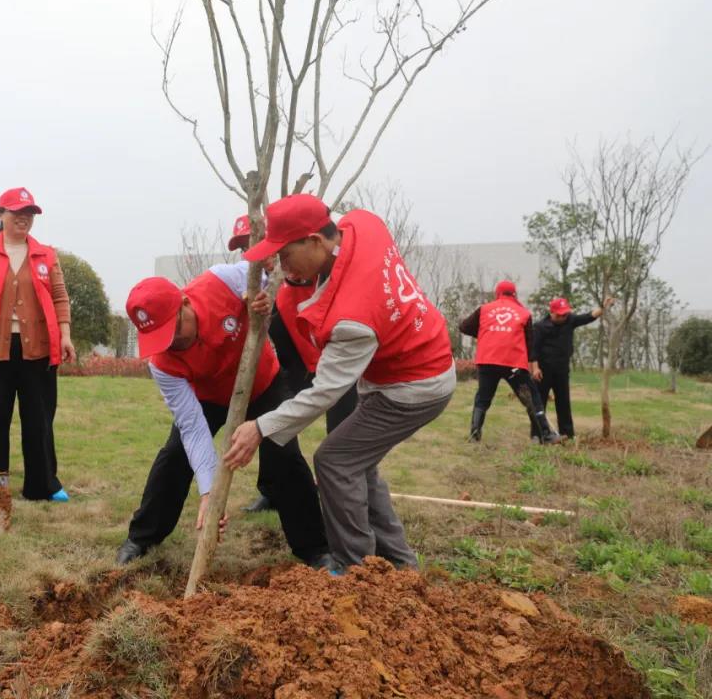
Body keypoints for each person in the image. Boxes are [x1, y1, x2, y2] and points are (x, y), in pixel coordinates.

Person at [224, 195, 455, 573]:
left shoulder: (351, 317)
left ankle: (355, 570)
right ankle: (400, 565)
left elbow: (326, 391)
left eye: (284, 255)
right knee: (358, 463)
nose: (280, 266)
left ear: (316, 241)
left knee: (334, 461)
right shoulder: (364, 224)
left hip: (413, 386)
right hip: (418, 359)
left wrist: (261, 428)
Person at [115, 262, 337, 571]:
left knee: (283, 452)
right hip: (208, 396)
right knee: (175, 455)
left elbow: (271, 274)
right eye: (160, 337)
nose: (171, 343)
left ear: (185, 303)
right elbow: (193, 428)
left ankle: (315, 547)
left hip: (262, 384)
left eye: (174, 330)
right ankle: (142, 537)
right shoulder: (163, 365)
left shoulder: (222, 281)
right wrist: (209, 493)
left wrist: (260, 297)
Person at [226, 215, 358, 513]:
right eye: (244, 247)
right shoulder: (259, 284)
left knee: (340, 437)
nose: (254, 254)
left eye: (256, 243)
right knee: (274, 424)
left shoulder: (314, 271)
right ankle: (273, 490)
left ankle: (344, 500)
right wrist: (258, 310)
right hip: (296, 368)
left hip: (335, 368)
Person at [0, 187, 74, 502]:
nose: (24, 219)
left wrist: (66, 335)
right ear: (1, 214)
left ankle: (43, 485)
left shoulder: (46, 254)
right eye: (17, 212)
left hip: (39, 350)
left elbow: (60, 296)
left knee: (39, 420)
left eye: (29, 213)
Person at [460, 280, 561, 445]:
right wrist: (531, 364)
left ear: (497, 293)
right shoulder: (523, 313)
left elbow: (464, 327)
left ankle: (474, 435)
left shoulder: (484, 309)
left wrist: (485, 333)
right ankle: (546, 434)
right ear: (514, 294)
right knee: (531, 397)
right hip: (513, 365)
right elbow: (529, 344)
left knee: (483, 398)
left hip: (487, 361)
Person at [529, 295, 614, 439]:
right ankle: (537, 435)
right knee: (540, 403)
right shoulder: (540, 327)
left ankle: (567, 434)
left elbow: (589, 316)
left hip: (562, 369)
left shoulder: (570, 320)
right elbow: (533, 350)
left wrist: (604, 307)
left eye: (565, 313)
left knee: (563, 402)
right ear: (552, 313)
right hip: (543, 370)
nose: (563, 317)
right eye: (560, 314)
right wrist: (535, 369)